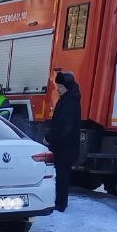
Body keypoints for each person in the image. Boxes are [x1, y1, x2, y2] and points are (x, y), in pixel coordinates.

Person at [47, 70, 82, 213]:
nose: (57, 89)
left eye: (60, 87)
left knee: (62, 176)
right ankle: (60, 202)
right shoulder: (71, 99)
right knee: (62, 175)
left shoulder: (68, 102)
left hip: (64, 147)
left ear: (66, 87)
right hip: (66, 146)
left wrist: (49, 137)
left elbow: (63, 127)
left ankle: (60, 204)